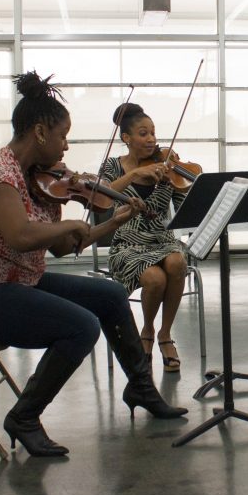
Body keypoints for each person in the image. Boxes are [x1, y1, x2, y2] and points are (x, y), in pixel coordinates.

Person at [0, 72, 187, 458]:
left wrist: (111, 222)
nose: (66, 146)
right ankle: (25, 416)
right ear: (40, 133)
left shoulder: (41, 182)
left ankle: (140, 387)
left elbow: (59, 248)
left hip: (21, 282)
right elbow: (19, 237)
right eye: (62, 136)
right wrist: (72, 221)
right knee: (81, 326)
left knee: (108, 295)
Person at [101, 103, 188, 372]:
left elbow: (185, 207)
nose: (151, 139)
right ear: (127, 138)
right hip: (128, 243)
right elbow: (101, 196)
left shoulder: (166, 165)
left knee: (176, 263)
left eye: (152, 132)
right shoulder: (114, 166)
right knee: (154, 278)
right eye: (142, 133)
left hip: (162, 239)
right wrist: (135, 174)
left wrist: (180, 177)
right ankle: (148, 330)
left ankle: (165, 333)